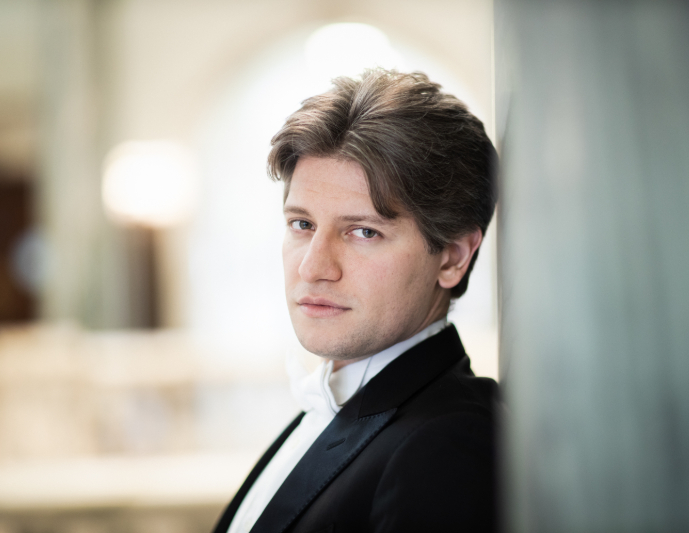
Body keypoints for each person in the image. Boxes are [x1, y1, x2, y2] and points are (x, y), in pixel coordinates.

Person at [212, 68, 499, 533]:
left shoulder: (450, 444)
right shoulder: (339, 404)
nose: (312, 267)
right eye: (302, 225)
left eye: (363, 232)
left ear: (452, 257)